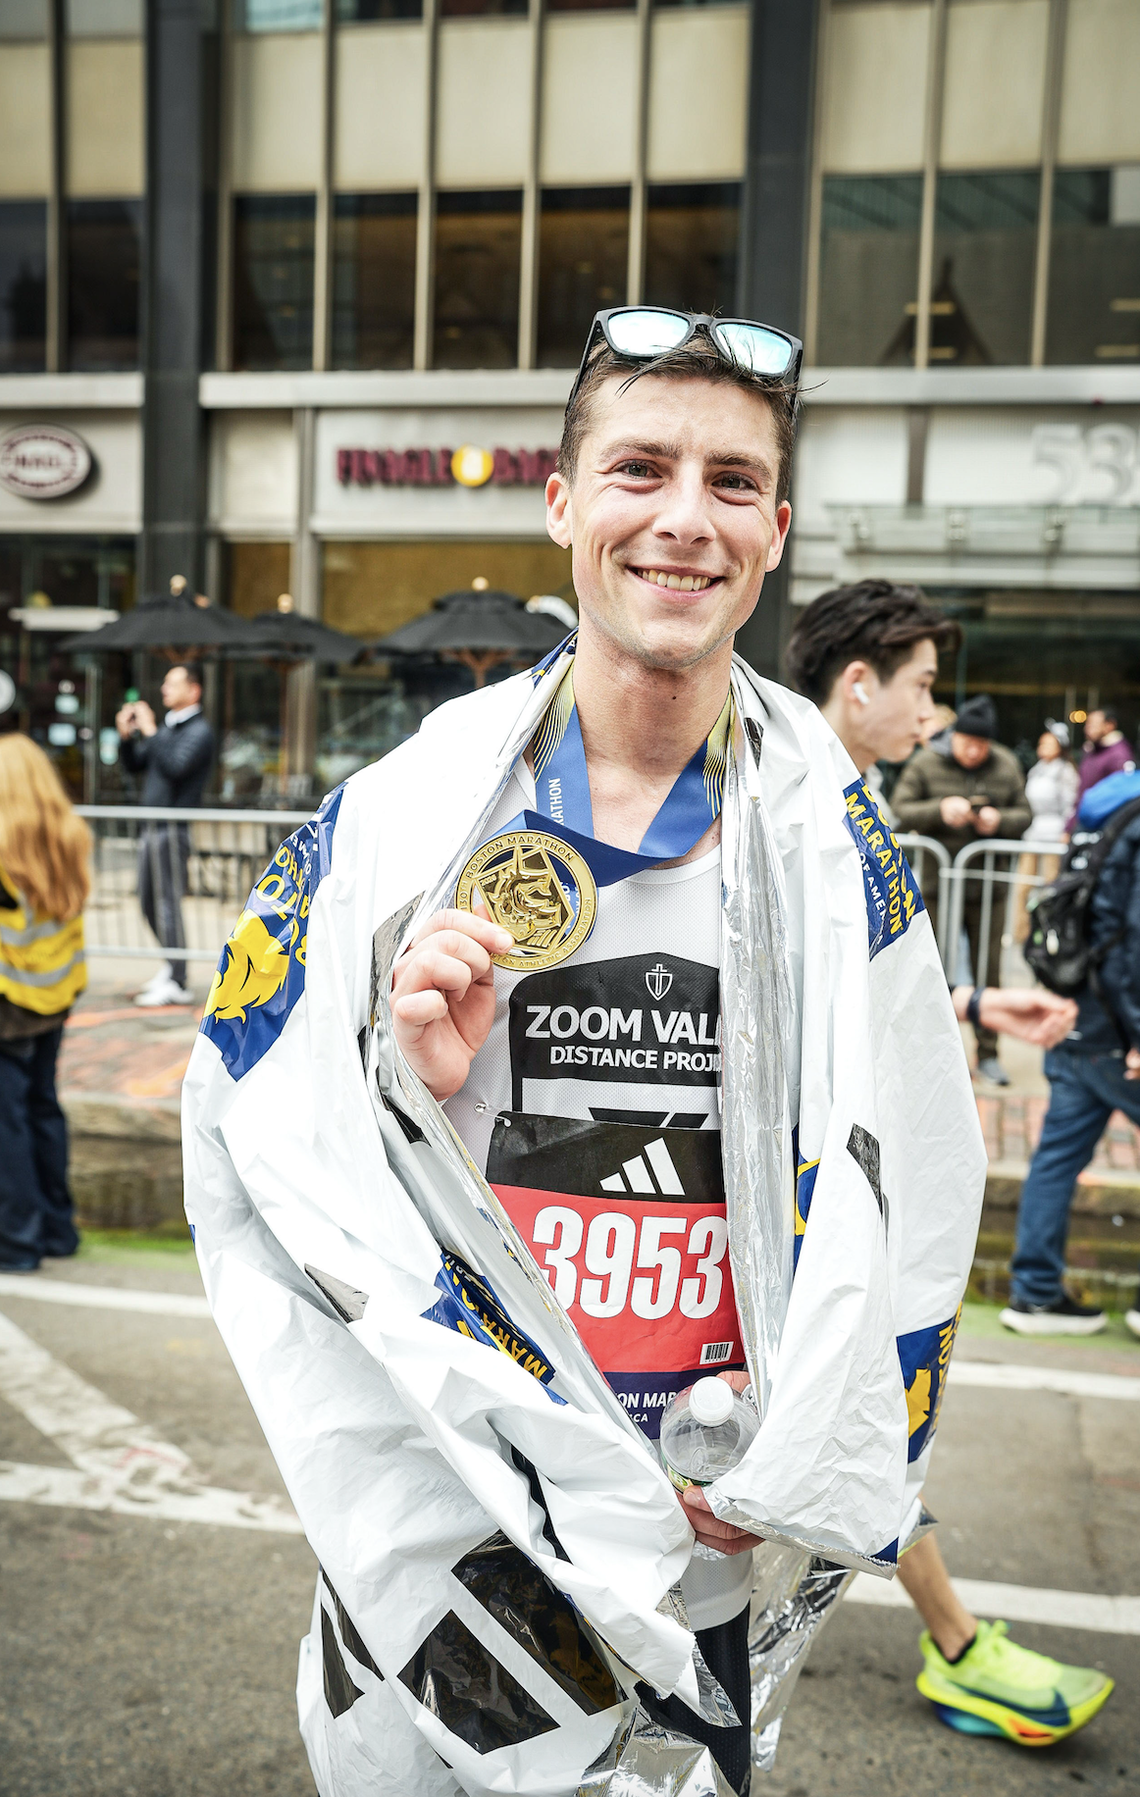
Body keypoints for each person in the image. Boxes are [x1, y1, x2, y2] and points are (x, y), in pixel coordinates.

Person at [185, 313, 986, 1797]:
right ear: (562, 506)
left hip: (711, 1518)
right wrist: (400, 1081)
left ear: (775, 533)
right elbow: (256, 1121)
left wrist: (800, 1456)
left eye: (733, 483)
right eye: (640, 468)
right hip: (471, 1500)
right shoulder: (407, 821)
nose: (685, 516)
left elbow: (923, 1186)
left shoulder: (837, 845)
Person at [787, 579, 1113, 1749]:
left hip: (830, 1175)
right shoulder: (791, 800)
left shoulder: (842, 794)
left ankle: (955, 1638)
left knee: (849, 1407)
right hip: (791, 1185)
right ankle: (959, 1644)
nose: (933, 713)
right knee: (852, 1405)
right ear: (858, 682)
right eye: (921, 686)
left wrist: (975, 1002)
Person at [1004, 764, 1140, 1337]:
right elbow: (1130, 938)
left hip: (1076, 1010)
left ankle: (1034, 1294)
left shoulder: (1105, 808)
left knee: (1058, 1157)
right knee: (1058, 1156)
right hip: (1116, 1026)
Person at [893, 692, 1031, 1086]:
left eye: (982, 744)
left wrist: (998, 820)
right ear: (954, 736)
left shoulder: (1005, 764)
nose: (975, 751)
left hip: (988, 889)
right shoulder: (926, 761)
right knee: (928, 969)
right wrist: (940, 810)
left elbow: (1024, 814)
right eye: (969, 742)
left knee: (989, 973)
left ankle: (988, 1053)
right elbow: (901, 808)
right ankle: (925, 1054)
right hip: (935, 886)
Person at [0, 735, 91, 1272]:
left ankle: (16, 1241)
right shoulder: (68, 836)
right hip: (57, 996)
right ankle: (58, 1229)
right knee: (42, 1110)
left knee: (6, 1122)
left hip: (8, 1000)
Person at [116, 661, 214, 1007]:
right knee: (146, 902)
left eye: (172, 683)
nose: (163, 689)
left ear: (194, 690)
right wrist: (127, 737)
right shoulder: (170, 729)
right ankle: (171, 966)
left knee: (166, 904)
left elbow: (176, 766)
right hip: (151, 828)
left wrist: (151, 730)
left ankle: (177, 979)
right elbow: (135, 764)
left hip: (172, 831)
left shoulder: (199, 731)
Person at [1015, 721, 1078, 942]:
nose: (1042, 747)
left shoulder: (1065, 771)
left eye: (1048, 743)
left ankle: (1046, 932)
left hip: (1054, 834)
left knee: (1049, 886)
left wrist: (1066, 831)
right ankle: (1021, 932)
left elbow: (1071, 805)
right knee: (1023, 884)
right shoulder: (1036, 769)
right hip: (1033, 832)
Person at [1067, 707, 1136, 833]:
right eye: (1087, 725)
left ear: (1109, 725)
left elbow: (1121, 797)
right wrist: (1070, 826)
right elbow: (1081, 792)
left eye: (1092, 725)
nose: (1087, 729)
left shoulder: (1119, 755)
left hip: (1103, 827)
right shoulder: (1091, 751)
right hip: (1084, 822)